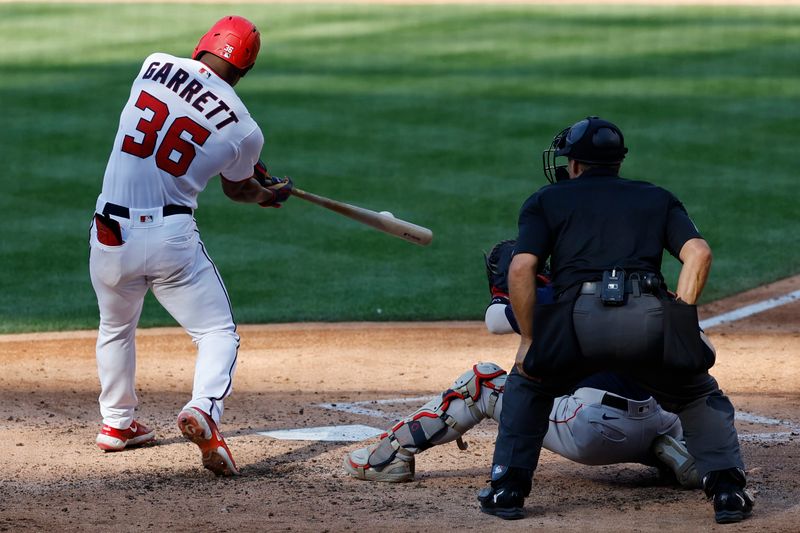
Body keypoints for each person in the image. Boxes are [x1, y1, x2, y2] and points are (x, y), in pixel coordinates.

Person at [479, 117, 753, 524]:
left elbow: (520, 271)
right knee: (695, 393)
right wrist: (678, 314)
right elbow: (699, 253)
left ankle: (507, 490)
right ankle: (728, 491)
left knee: (529, 385)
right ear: (618, 162)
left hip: (576, 324)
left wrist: (531, 340)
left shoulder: (546, 201)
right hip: (647, 317)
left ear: (573, 164)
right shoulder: (656, 197)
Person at [89, 16, 292, 477]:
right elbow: (237, 188)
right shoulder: (245, 130)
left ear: (203, 46)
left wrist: (250, 173)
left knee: (116, 327)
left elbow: (174, 126)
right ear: (246, 70)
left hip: (108, 232)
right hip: (169, 241)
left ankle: (117, 424)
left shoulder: (153, 64)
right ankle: (204, 409)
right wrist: (267, 191)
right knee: (217, 334)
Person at [342, 240, 699, 489]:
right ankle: (666, 450)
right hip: (658, 418)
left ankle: (388, 457)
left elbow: (496, 320)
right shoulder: (611, 293)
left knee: (482, 383)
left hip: (593, 433)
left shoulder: (546, 297)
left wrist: (511, 289)